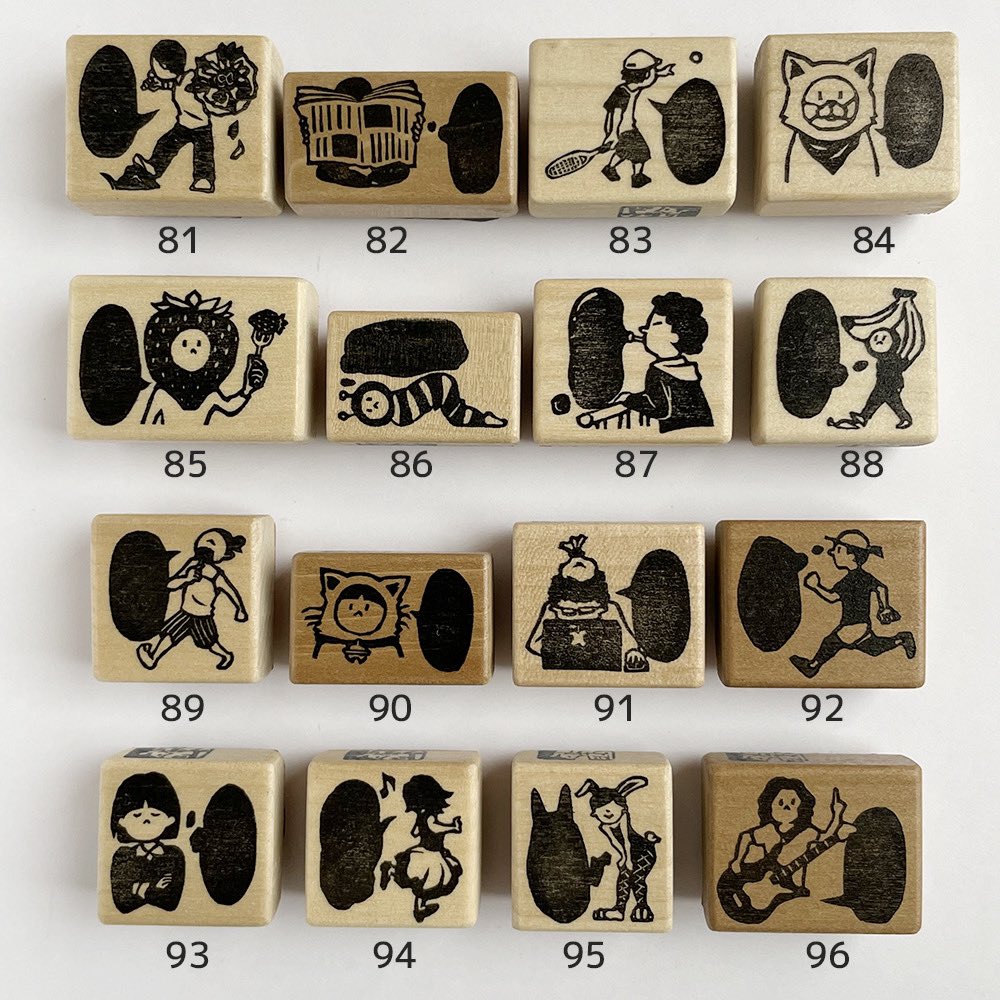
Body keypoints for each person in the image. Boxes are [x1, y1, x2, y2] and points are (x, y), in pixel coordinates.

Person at [790, 530, 916, 679]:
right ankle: (901, 639)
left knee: (830, 643)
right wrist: (884, 607)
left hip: (853, 626)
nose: (831, 552)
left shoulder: (854, 578)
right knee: (873, 648)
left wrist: (815, 586)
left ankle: (812, 666)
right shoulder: (853, 577)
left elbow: (832, 597)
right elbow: (880, 588)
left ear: (852, 556)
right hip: (860, 625)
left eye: (838, 549)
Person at [526, 535, 648, 672]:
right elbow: (533, 644)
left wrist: (632, 653)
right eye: (568, 611)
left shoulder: (611, 608)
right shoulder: (550, 608)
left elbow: (629, 639)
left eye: (587, 610)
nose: (578, 616)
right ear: (556, 607)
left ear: (602, 607)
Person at [111, 39, 216, 192]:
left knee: (203, 154)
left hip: (202, 127)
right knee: (166, 144)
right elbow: (171, 85)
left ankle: (204, 180)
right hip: (183, 124)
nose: (153, 71)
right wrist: (157, 85)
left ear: (166, 67)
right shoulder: (177, 81)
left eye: (156, 67)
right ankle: (155, 166)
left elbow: (202, 86)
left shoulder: (191, 78)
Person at [137, 528, 247, 671]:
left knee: (209, 643)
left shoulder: (216, 575)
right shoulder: (191, 565)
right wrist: (186, 579)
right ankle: (153, 657)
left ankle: (226, 655)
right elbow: (170, 584)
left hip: (202, 617)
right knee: (170, 634)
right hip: (185, 612)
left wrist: (240, 609)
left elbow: (231, 592)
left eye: (212, 543)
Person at [728, 778, 846, 896]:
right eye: (780, 803)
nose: (786, 807)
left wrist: (836, 814)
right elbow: (746, 837)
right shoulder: (769, 830)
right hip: (766, 880)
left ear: (802, 806)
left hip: (791, 883)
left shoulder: (807, 832)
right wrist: (737, 861)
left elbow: (825, 838)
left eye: (793, 802)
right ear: (769, 806)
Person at [616, 292, 713, 431]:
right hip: (700, 428)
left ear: (675, 336)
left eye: (654, 324)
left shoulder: (659, 372)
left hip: (678, 431)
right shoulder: (685, 368)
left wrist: (630, 400)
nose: (644, 330)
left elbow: (660, 410)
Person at [380, 775, 463, 922]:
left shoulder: (422, 815)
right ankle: (419, 907)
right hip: (429, 854)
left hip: (431, 851)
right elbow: (434, 827)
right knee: (431, 881)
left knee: (423, 883)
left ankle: (391, 871)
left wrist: (423, 829)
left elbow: (415, 832)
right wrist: (452, 828)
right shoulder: (429, 815)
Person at [109, 772, 185, 913]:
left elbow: (170, 903)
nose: (146, 820)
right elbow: (122, 903)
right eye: (136, 815)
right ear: (122, 820)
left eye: (155, 814)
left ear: (170, 819)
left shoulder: (174, 855)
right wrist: (154, 889)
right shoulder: (123, 855)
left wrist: (138, 889)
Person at [599, 50, 675, 188]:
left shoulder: (632, 87)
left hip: (628, 127)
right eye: (653, 72)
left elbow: (647, 78)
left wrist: (661, 72)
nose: (654, 75)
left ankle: (611, 169)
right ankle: (636, 176)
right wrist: (613, 134)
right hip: (622, 129)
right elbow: (616, 113)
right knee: (641, 152)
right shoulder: (623, 93)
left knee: (625, 151)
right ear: (646, 75)